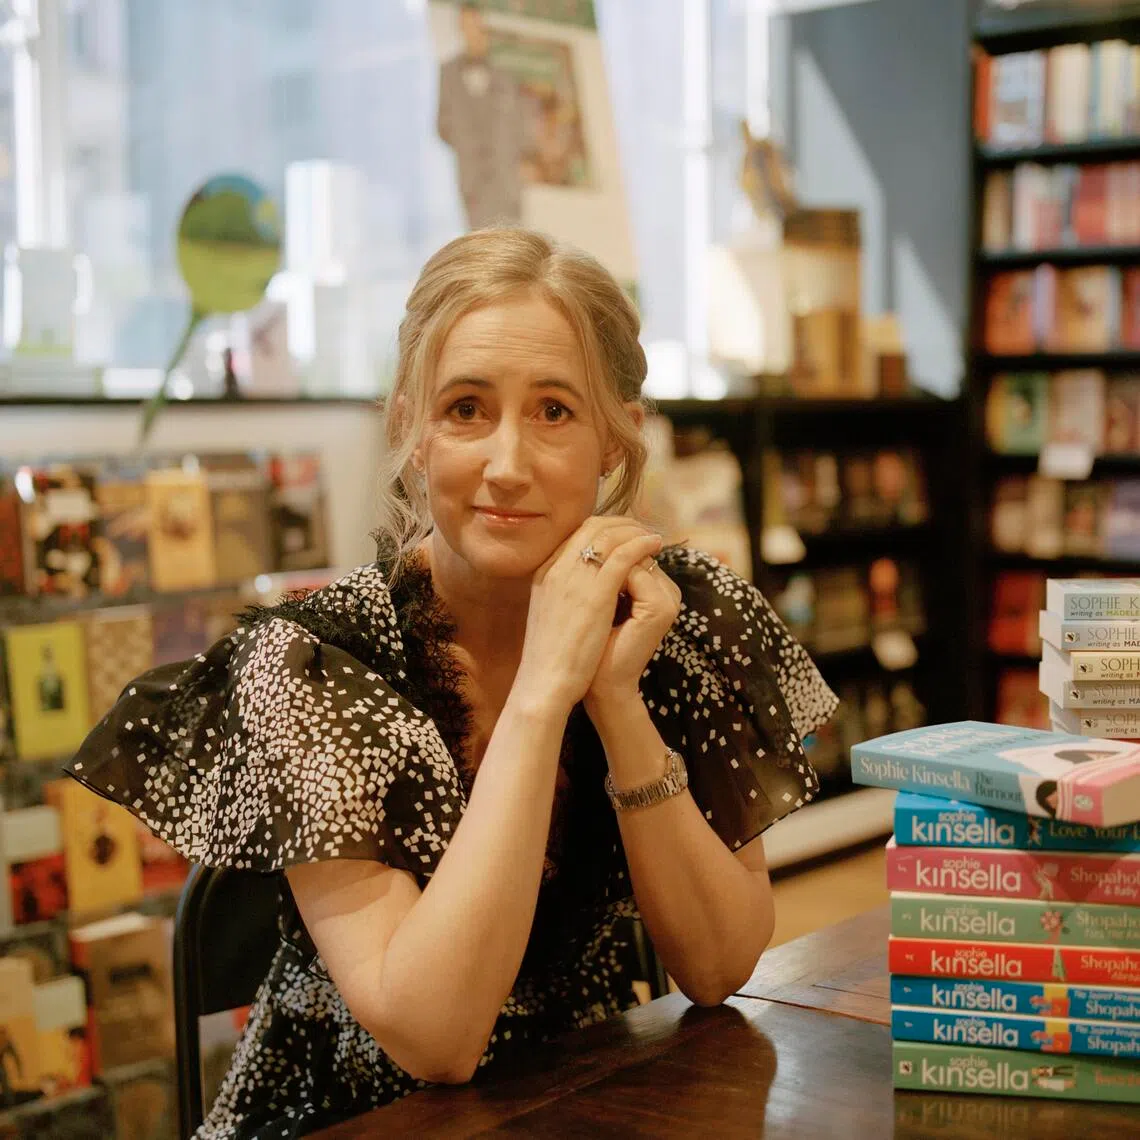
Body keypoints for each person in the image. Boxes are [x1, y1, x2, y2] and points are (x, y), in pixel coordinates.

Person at [65, 226, 837, 1138]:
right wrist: (546, 692)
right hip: (349, 1119)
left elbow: (718, 966)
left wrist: (617, 702)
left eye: (555, 411)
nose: (506, 463)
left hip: (582, 1098)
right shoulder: (315, 662)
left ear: (616, 438)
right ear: (411, 431)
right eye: (466, 408)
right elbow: (435, 1041)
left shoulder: (675, 617)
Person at [437, 4, 526, 229]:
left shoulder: (505, 72)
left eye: (476, 26)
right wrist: (466, 142)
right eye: (466, 26)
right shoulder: (448, 73)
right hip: (472, 179)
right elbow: (442, 124)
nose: (472, 32)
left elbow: (520, 122)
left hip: (506, 176)